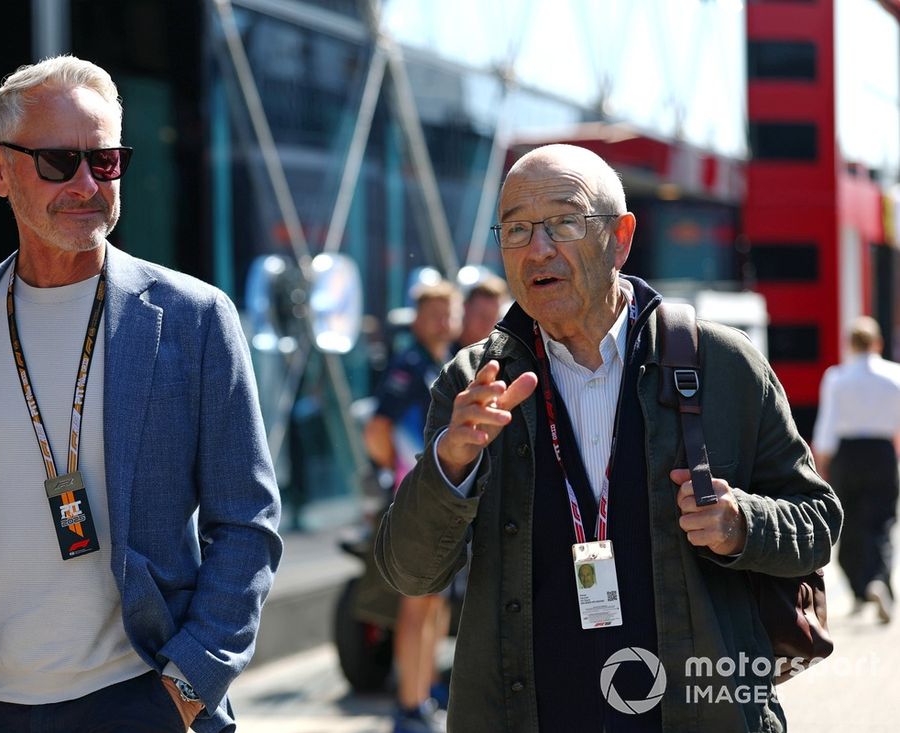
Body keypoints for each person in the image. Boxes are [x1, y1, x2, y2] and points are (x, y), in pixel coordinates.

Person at [0, 56, 283, 733]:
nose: (87, 184)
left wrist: (188, 683)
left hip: (137, 701)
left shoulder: (195, 319)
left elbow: (247, 523)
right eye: (60, 162)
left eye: (106, 160)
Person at [375, 144, 842, 732]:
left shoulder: (720, 365)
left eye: (564, 223)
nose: (537, 248)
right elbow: (409, 572)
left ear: (620, 238)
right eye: (516, 229)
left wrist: (739, 523)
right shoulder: (474, 383)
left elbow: (819, 522)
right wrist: (450, 464)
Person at [364, 281, 459, 733]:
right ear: (418, 318)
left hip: (439, 502)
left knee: (436, 605)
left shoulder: (443, 362)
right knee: (416, 606)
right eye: (435, 313)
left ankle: (423, 694)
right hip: (415, 504)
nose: (444, 321)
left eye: (449, 312)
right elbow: (377, 429)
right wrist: (398, 477)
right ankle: (408, 706)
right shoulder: (409, 364)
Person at [812, 315, 900, 623]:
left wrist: (820, 463)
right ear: (878, 343)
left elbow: (827, 425)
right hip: (882, 452)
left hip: (847, 455)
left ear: (850, 345)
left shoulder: (837, 378)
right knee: (882, 522)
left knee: (848, 523)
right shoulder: (895, 376)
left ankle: (859, 589)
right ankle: (879, 579)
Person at [456, 274, 508, 349]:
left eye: (493, 316)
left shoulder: (502, 353)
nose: (486, 322)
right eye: (481, 314)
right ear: (466, 308)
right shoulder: (442, 348)